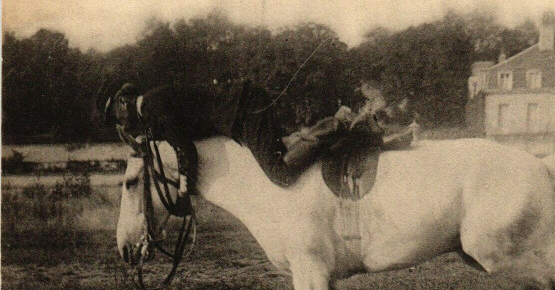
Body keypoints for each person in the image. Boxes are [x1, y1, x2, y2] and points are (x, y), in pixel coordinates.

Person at [105, 80, 393, 201]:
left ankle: (337, 124)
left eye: (115, 116)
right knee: (283, 158)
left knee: (280, 173)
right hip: (242, 110)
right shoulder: (153, 106)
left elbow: (185, 150)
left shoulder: (153, 108)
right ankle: (335, 126)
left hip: (244, 110)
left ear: (122, 102)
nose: (120, 123)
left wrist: (183, 191)